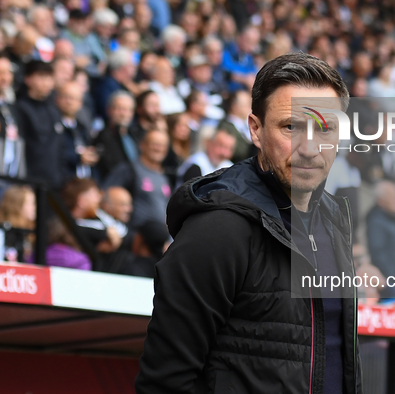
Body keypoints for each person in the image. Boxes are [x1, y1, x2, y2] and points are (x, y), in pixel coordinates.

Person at [136, 52, 362, 394]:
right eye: (291, 127)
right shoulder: (219, 227)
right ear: (255, 130)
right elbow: (165, 381)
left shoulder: (333, 222)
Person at [103, 128, 171, 227]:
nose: (158, 148)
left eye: (162, 145)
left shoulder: (164, 177)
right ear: (142, 145)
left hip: (161, 238)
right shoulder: (128, 169)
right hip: (136, 235)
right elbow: (105, 195)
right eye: (154, 144)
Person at [16, 60, 63, 189]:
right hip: (31, 180)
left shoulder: (54, 109)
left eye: (49, 78)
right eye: (42, 77)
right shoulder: (20, 109)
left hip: (55, 180)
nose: (47, 83)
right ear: (28, 79)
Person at [56, 81, 99, 182]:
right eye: (66, 97)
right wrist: (77, 157)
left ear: (80, 103)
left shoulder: (82, 128)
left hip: (84, 182)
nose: (69, 102)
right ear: (57, 99)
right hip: (64, 183)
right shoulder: (51, 125)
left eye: (74, 98)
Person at [93, 91, 141, 179]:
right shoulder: (101, 138)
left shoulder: (136, 135)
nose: (123, 114)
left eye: (127, 110)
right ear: (109, 110)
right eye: (119, 109)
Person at [0, 56, 26, 180]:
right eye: (1, 73)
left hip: (11, 172)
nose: (4, 78)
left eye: (8, 73)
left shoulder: (12, 106)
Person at [217, 89, 254, 163]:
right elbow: (238, 152)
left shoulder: (246, 126)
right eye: (247, 105)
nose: (251, 109)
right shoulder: (225, 127)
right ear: (235, 107)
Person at [0, 185, 35, 263]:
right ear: (17, 205)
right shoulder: (3, 231)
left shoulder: (29, 232)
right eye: (31, 203)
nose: (34, 208)